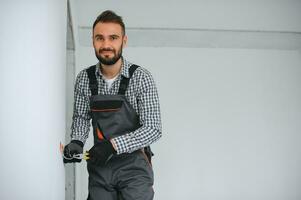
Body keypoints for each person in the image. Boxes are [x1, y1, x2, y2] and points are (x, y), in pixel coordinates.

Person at [63, 10, 162, 200]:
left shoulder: (141, 78)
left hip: (134, 169)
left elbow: (153, 129)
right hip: (101, 167)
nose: (106, 44)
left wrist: (113, 146)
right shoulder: (85, 78)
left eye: (113, 38)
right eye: (99, 38)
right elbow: (82, 117)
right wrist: (76, 141)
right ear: (92, 40)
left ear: (123, 41)